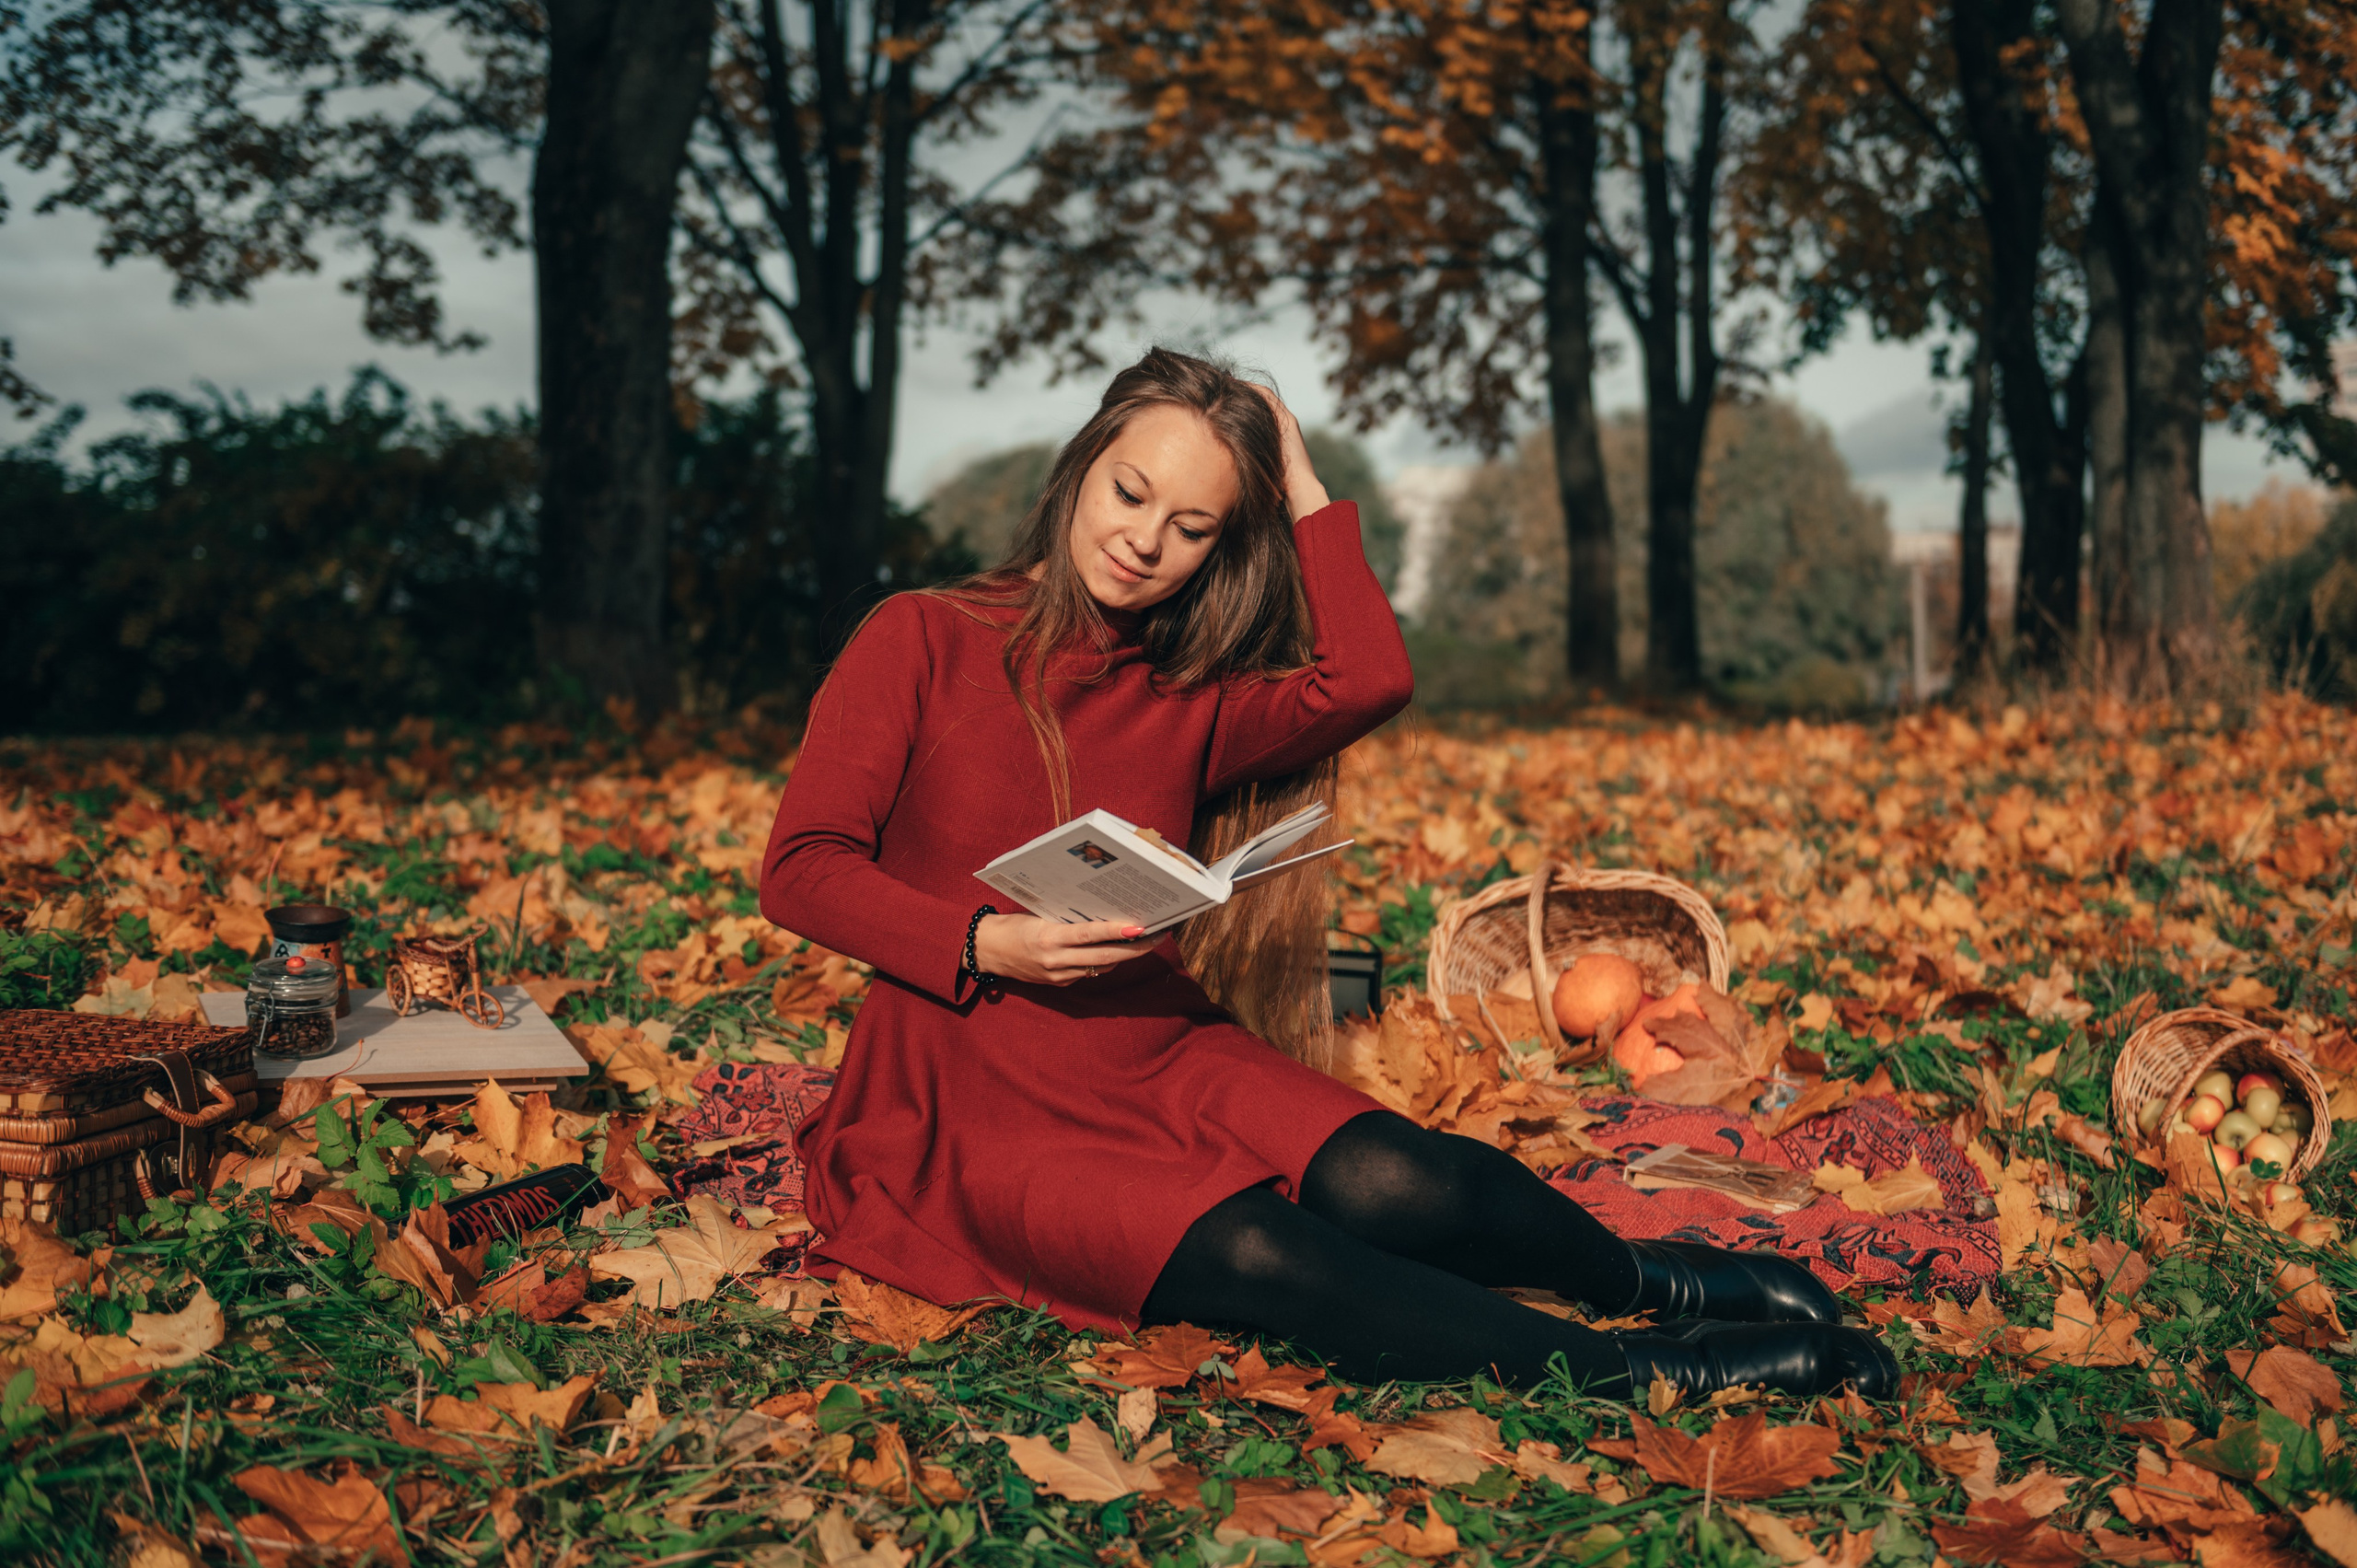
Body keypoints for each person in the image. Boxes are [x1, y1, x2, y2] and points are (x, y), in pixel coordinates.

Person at [761, 347, 1898, 1400]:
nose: (1147, 540)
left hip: (1154, 1045)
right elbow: (801, 870)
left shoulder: (1184, 695)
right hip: (958, 1091)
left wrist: (1303, 490)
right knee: (1259, 1250)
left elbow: (1368, 678)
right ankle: (1647, 1373)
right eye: (1129, 492)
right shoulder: (920, 634)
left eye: (1194, 524)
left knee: (1417, 1185)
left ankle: (1651, 1280)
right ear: (1077, 474)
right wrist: (982, 941)